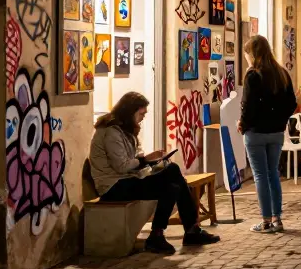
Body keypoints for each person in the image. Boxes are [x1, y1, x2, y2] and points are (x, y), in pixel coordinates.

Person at [89, 92, 220, 254]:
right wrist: (146, 160)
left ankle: (161, 234)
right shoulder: (111, 132)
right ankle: (185, 231)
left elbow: (135, 158)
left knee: (172, 182)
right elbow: (122, 166)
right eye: (141, 114)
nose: (143, 118)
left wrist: (153, 162)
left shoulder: (126, 131)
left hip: (126, 180)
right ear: (130, 112)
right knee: (172, 176)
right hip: (112, 187)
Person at [239, 35, 297, 233]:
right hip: (276, 132)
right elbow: (292, 103)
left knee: (260, 176)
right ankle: (277, 218)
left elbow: (248, 105)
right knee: (273, 173)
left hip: (255, 132)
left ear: (253, 54)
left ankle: (265, 221)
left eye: (247, 54)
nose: (246, 58)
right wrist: (280, 120)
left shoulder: (253, 75)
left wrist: (243, 124)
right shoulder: (282, 73)